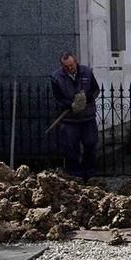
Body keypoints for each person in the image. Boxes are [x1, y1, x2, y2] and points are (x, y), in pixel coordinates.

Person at [51, 53, 100, 181]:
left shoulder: (86, 72)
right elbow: (58, 97)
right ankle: (75, 175)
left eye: (71, 65)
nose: (70, 68)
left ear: (76, 62)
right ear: (62, 66)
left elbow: (96, 90)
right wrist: (71, 104)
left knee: (90, 144)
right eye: (66, 66)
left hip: (87, 117)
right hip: (69, 120)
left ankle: (89, 174)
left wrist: (87, 99)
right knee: (71, 148)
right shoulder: (56, 77)